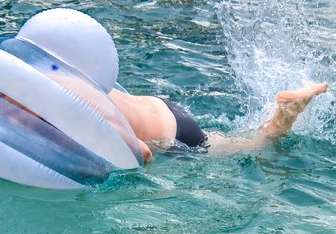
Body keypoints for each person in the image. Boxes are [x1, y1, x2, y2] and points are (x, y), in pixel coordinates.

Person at [108, 81, 329, 163]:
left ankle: (289, 110)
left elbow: (144, 153)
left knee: (261, 148)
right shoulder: (80, 78)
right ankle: (275, 112)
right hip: (159, 107)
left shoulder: (83, 107)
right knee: (238, 140)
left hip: (175, 134)